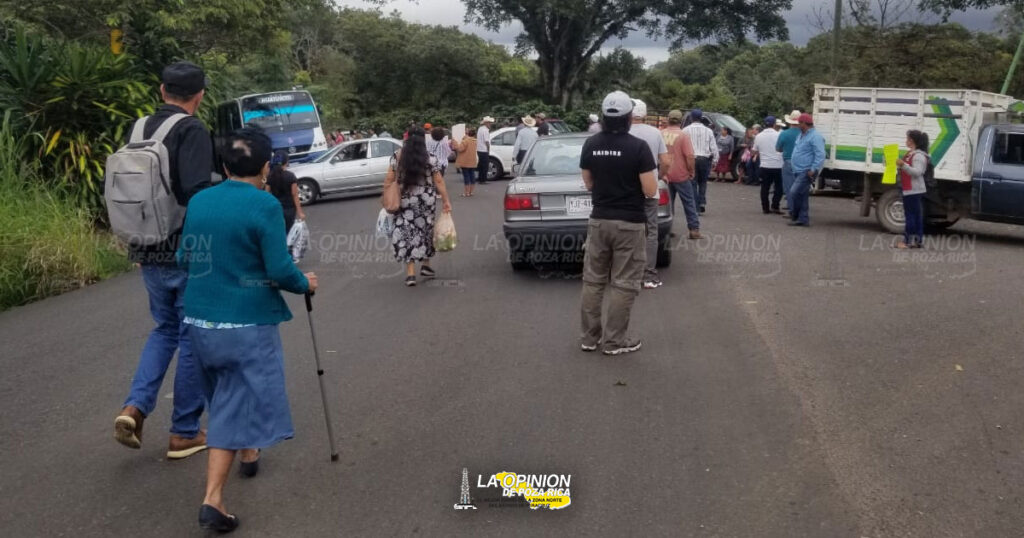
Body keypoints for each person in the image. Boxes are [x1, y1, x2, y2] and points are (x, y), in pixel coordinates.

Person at [175, 128, 316, 533]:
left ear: (222, 166)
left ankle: (250, 452)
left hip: (200, 322)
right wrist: (306, 283)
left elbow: (187, 256)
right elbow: (278, 269)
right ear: (267, 167)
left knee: (225, 394)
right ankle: (213, 500)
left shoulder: (200, 200)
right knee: (234, 402)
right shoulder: (264, 205)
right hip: (245, 325)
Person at [113, 61, 213, 460]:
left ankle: (133, 408)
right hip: (185, 249)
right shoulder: (192, 130)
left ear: (161, 90)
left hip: (145, 246)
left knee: (164, 329)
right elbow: (197, 195)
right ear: (200, 95)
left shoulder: (135, 129)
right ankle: (184, 431)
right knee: (191, 335)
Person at [579, 91, 657, 356]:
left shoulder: (590, 144)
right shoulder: (638, 147)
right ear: (627, 118)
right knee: (623, 283)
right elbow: (649, 189)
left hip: (599, 220)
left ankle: (590, 339)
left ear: (603, 116)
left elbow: (588, 182)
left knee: (593, 281)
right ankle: (614, 342)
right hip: (629, 223)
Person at [384, 127, 453, 286]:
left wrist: (387, 198)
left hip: (404, 200)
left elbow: (388, 179)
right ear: (423, 140)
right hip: (425, 201)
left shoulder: (397, 156)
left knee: (406, 233)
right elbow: (439, 181)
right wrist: (446, 200)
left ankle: (410, 274)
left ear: (407, 139)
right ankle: (426, 265)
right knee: (425, 232)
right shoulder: (430, 158)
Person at [629, 99, 669, 290]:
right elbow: (665, 161)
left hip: (626, 192)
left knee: (626, 230)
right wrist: (658, 177)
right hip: (649, 190)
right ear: (644, 115)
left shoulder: (621, 132)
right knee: (651, 231)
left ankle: (627, 274)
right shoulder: (655, 133)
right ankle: (649, 275)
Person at [661, 110, 701, 240]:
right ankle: (694, 229)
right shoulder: (683, 135)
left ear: (668, 119)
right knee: (689, 202)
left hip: (665, 175)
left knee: (667, 204)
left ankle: (667, 229)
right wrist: (691, 171)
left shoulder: (661, 134)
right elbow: (690, 156)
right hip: (681, 175)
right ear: (681, 121)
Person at [891, 130, 930, 248]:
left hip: (912, 189)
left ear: (912, 141)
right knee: (916, 215)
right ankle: (918, 240)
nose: (906, 140)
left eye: (907, 138)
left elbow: (917, 172)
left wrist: (903, 165)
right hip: (912, 188)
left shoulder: (918, 156)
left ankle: (907, 241)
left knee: (910, 216)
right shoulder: (911, 153)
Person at [788, 113, 826, 227]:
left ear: (805, 124)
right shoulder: (801, 135)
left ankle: (795, 214)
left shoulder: (815, 136)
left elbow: (820, 154)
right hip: (798, 169)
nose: (798, 125)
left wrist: (813, 168)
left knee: (794, 192)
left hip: (806, 170)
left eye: (799, 123)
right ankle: (803, 219)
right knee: (802, 194)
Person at [682, 109, 717, 214]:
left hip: (691, 158)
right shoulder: (709, 131)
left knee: (692, 182)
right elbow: (714, 147)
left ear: (691, 118)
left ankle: (696, 206)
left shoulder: (685, 130)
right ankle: (702, 202)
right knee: (703, 182)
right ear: (701, 118)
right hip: (705, 159)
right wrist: (715, 160)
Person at [266, 150, 305, 235]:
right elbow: (295, 195)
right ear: (286, 162)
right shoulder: (290, 176)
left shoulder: (270, 177)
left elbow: (267, 194)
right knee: (289, 232)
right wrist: (300, 212)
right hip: (289, 209)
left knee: (278, 232)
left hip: (276, 209)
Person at [752, 116, 784, 214]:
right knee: (779, 187)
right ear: (774, 124)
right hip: (778, 165)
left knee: (765, 187)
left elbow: (754, 151)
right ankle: (775, 205)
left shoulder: (759, 136)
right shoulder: (779, 135)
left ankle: (765, 208)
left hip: (764, 165)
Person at [776, 110, 802, 214]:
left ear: (789, 121)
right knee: (800, 188)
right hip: (801, 163)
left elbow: (778, 149)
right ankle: (800, 210)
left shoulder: (784, 134)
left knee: (789, 188)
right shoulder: (804, 133)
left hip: (788, 161)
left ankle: (792, 210)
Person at [454, 127, 478, 197]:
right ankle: (471, 192)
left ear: (467, 133)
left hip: (465, 161)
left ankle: (466, 192)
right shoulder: (475, 141)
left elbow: (460, 149)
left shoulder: (465, 141)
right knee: (472, 176)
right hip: (473, 161)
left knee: (466, 177)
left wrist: (455, 143)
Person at [477, 116, 494, 184]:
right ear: (486, 123)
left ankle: (480, 178)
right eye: (489, 123)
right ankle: (483, 180)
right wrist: (488, 149)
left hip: (479, 149)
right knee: (485, 166)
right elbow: (487, 141)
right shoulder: (485, 130)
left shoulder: (480, 129)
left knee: (481, 165)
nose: (490, 124)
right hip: (484, 150)